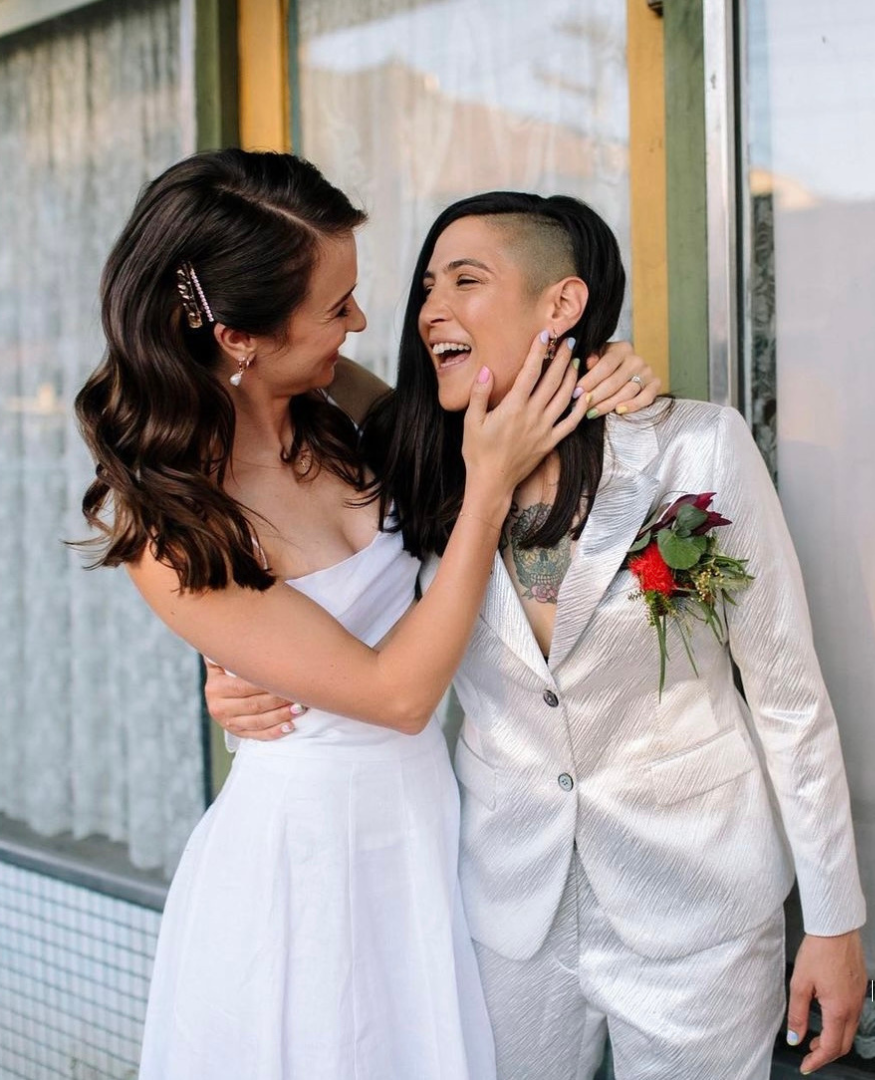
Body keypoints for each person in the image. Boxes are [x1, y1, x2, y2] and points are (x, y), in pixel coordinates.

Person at [209, 191, 869, 1079]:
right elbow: (269, 457)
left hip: (697, 908)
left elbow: (789, 698)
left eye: (467, 280)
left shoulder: (695, 451)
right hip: (505, 909)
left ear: (561, 305)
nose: (430, 308)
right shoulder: (414, 461)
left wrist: (834, 921)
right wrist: (230, 663)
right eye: (427, 287)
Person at [74, 151, 658, 1080]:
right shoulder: (169, 524)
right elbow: (395, 693)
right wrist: (487, 491)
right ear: (238, 337)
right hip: (308, 860)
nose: (359, 321)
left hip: (424, 827)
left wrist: (594, 364)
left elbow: (476, 424)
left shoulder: (335, 403)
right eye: (335, 305)